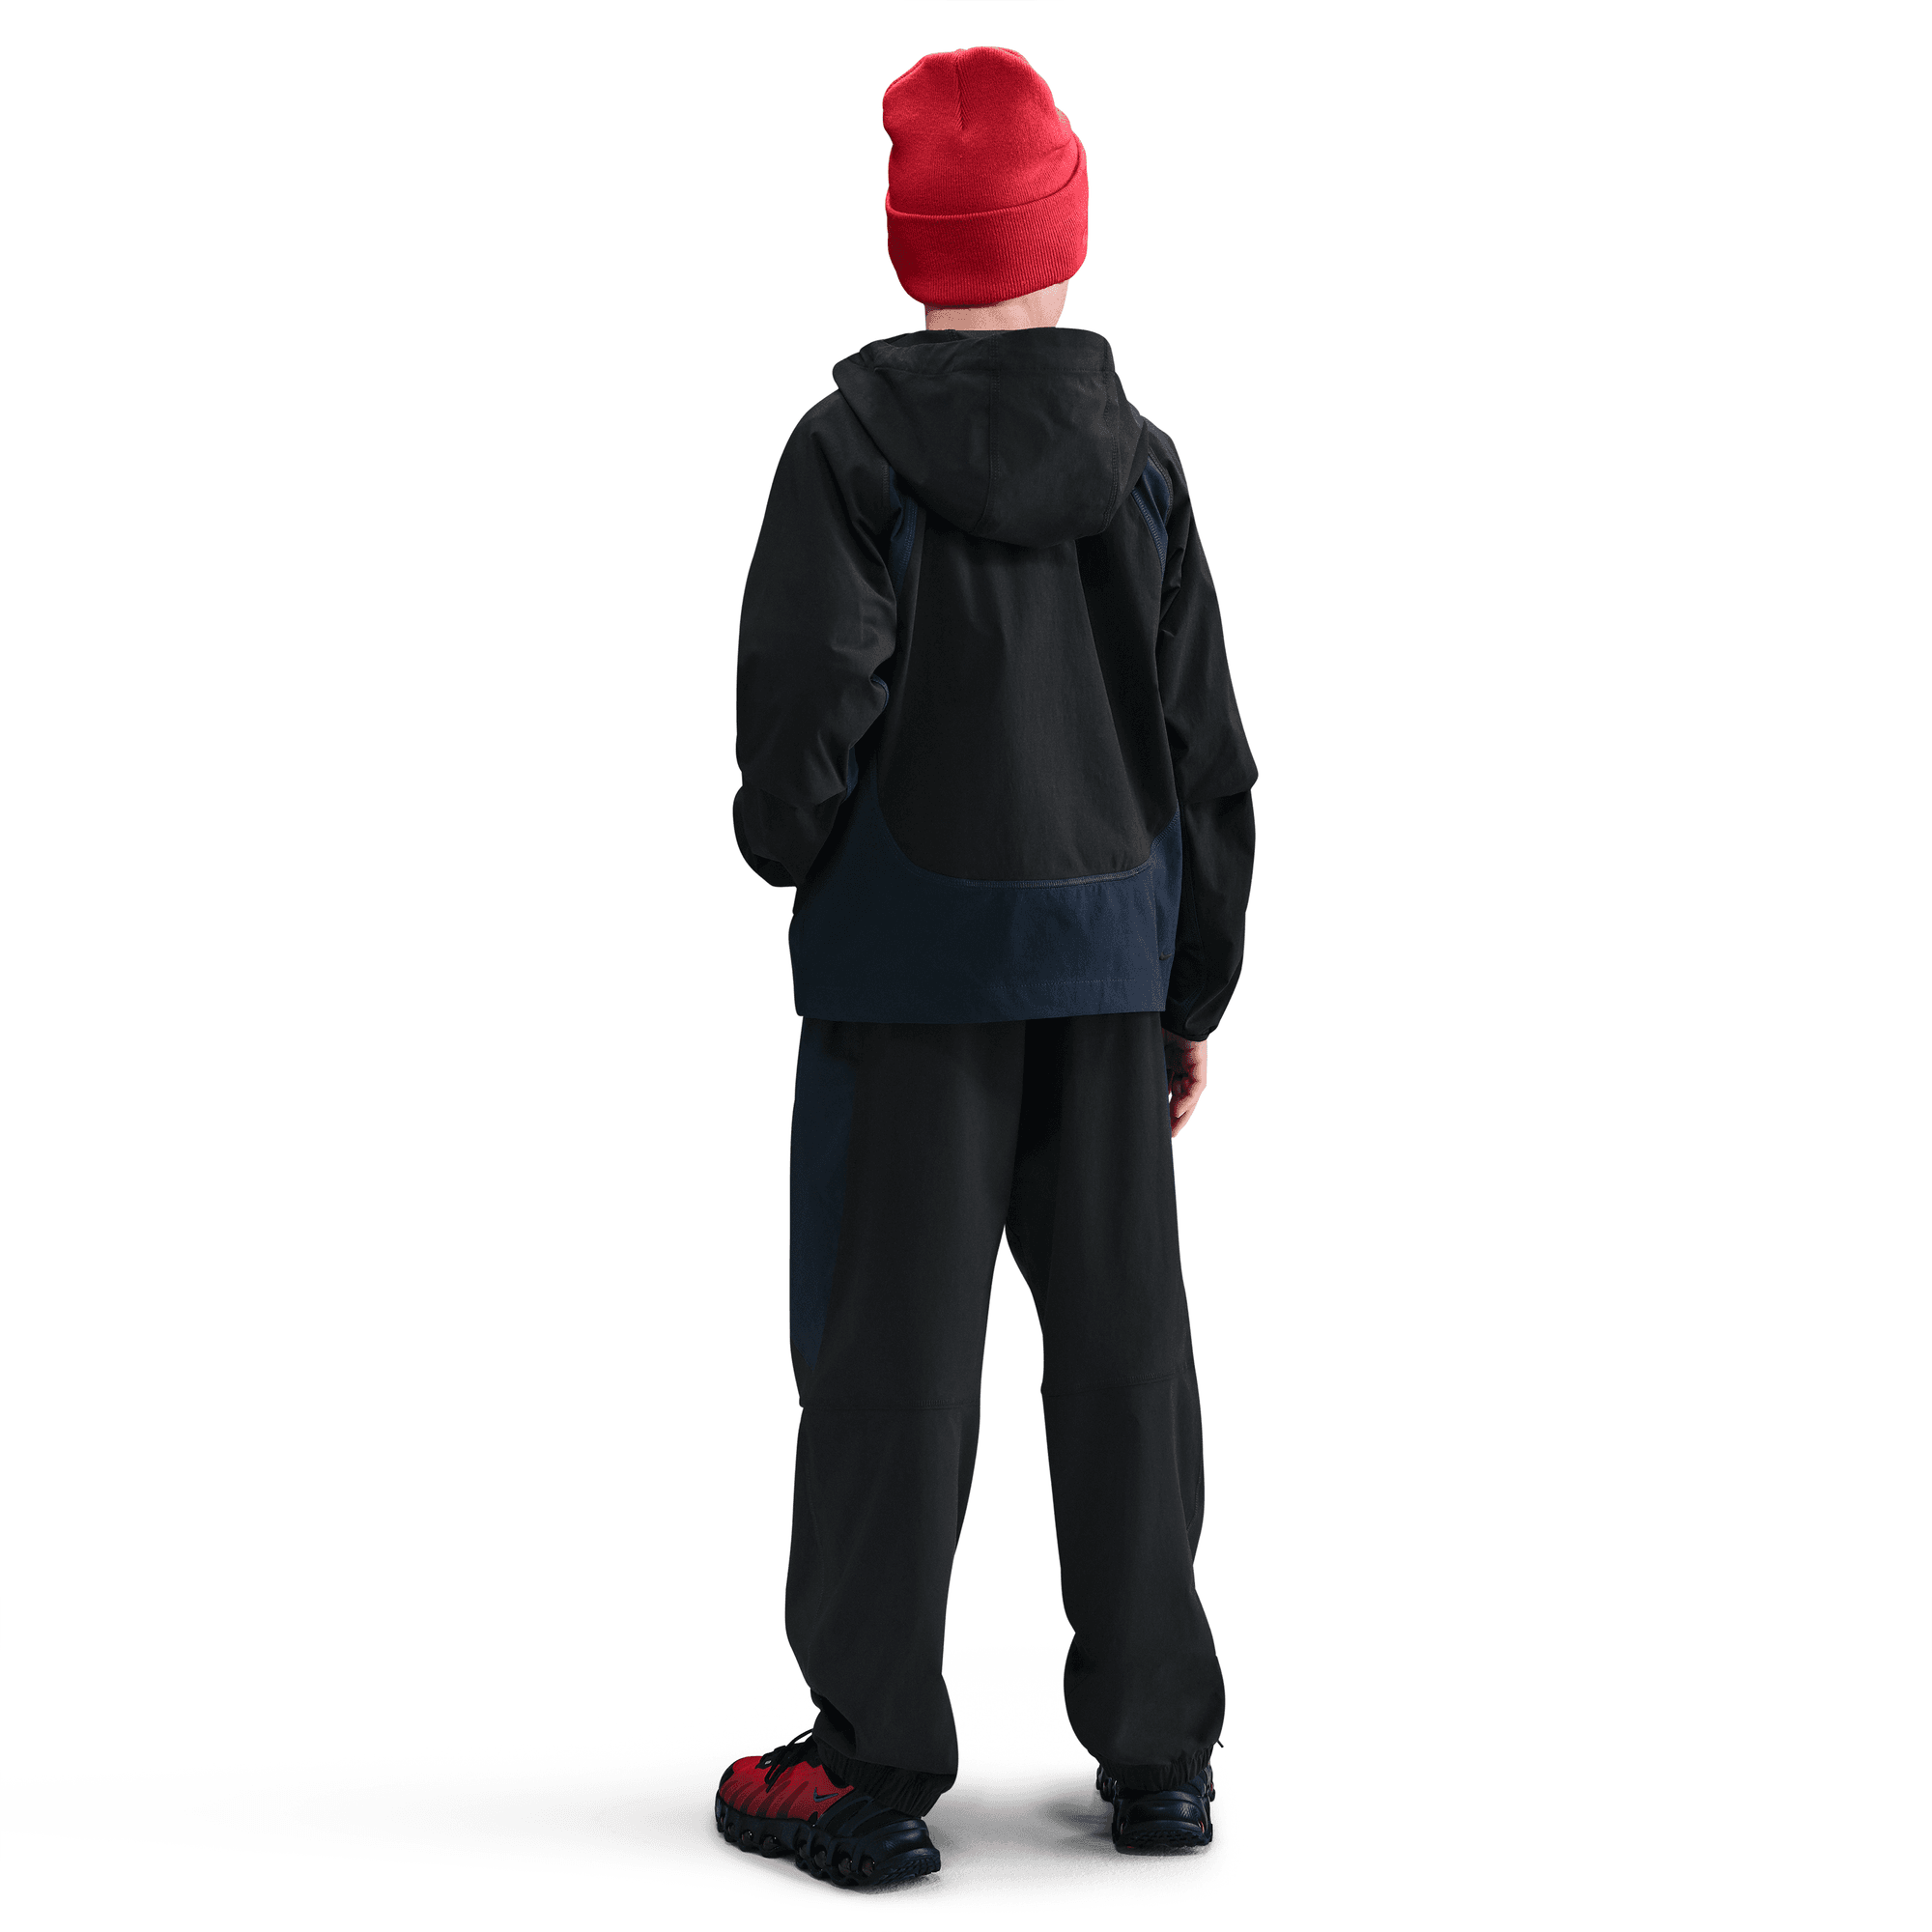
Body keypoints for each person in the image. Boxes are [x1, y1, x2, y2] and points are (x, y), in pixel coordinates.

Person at [716, 45, 1256, 1887]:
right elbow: (1206, 748)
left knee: (890, 1367)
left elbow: (809, 699)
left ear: (910, 246)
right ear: (1067, 236)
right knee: (1124, 1363)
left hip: (907, 974)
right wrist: (1190, 988)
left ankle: (872, 1769)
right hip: (1104, 979)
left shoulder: (847, 454)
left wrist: (787, 838)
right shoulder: (1143, 465)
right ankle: (1160, 1759)